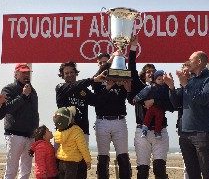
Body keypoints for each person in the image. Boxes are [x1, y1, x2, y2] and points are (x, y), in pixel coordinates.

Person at [165, 51, 209, 179]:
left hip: (202, 133)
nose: (188, 62)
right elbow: (176, 104)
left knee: (207, 173)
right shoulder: (190, 81)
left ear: (199, 62)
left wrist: (185, 84)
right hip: (185, 133)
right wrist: (172, 87)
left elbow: (203, 99)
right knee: (192, 174)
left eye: (191, 60)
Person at [128, 36, 171, 179]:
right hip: (142, 132)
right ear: (143, 75)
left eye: (153, 71)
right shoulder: (139, 88)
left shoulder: (164, 88)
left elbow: (171, 105)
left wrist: (154, 100)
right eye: (148, 71)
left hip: (160, 131)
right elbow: (132, 69)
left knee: (159, 169)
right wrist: (133, 47)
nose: (151, 73)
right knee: (142, 171)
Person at [55, 61, 106, 179]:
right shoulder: (60, 87)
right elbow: (74, 86)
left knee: (82, 164)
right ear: (62, 75)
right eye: (66, 73)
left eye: (72, 72)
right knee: (63, 164)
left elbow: (98, 101)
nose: (69, 75)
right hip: (64, 132)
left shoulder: (84, 90)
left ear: (76, 73)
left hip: (82, 131)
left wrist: (108, 87)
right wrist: (93, 79)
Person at [92, 43, 135, 179]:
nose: (104, 64)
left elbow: (129, 97)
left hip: (119, 121)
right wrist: (110, 60)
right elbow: (97, 96)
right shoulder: (97, 80)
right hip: (102, 121)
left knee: (123, 157)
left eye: (106, 62)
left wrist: (128, 91)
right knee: (103, 158)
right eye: (101, 63)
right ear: (98, 65)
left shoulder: (119, 77)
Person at [1, 63, 40, 179]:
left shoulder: (32, 91)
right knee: (11, 170)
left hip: (30, 136)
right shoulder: (8, 89)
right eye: (23, 73)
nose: (26, 75)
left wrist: (36, 132)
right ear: (16, 74)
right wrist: (23, 95)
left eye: (28, 72)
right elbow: (7, 108)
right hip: (14, 135)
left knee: (26, 170)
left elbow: (34, 113)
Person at [53, 106, 92, 179]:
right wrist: (88, 160)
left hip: (61, 161)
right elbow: (83, 147)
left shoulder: (59, 132)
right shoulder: (76, 131)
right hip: (72, 162)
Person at [133, 70, 171, 139]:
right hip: (151, 108)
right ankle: (144, 130)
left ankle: (157, 133)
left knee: (159, 120)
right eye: (159, 79)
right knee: (147, 118)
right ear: (155, 79)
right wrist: (136, 98)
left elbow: (168, 100)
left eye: (163, 79)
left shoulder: (166, 88)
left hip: (160, 108)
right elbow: (143, 93)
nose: (161, 81)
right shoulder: (151, 86)